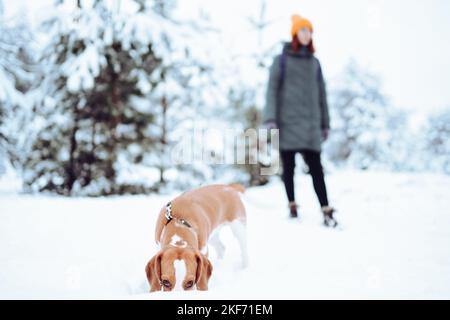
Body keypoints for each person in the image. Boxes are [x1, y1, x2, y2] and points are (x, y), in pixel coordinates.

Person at [263, 14, 337, 227]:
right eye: (303, 30)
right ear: (295, 33)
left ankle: (325, 208)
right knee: (289, 167)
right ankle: (292, 204)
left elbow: (322, 95)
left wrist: (325, 123)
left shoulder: (315, 63)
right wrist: (270, 118)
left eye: (310, 31)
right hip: (287, 123)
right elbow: (272, 90)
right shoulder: (281, 60)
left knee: (316, 168)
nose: (307, 34)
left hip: (311, 125)